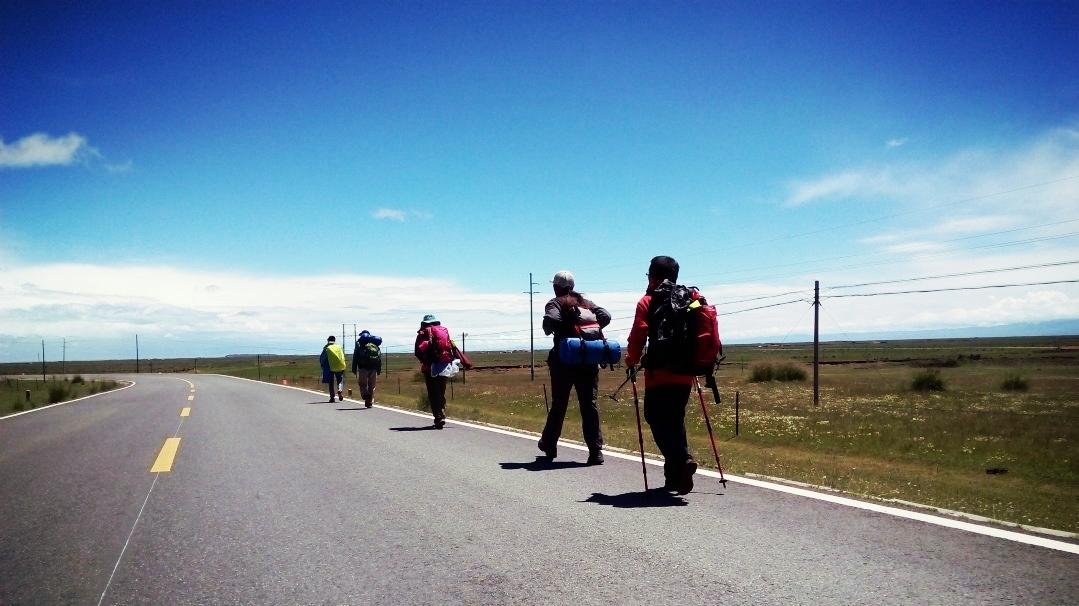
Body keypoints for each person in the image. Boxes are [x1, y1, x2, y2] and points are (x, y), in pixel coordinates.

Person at [625, 256, 698, 494]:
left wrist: (631, 359)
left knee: (655, 419)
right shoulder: (691, 298)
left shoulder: (647, 301)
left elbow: (638, 334)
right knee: (675, 421)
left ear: (652, 276)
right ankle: (674, 478)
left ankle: (681, 461)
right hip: (686, 373)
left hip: (658, 375)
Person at [538, 270, 611, 465]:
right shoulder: (586, 302)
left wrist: (565, 327)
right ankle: (596, 451)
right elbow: (605, 315)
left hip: (564, 360)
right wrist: (591, 329)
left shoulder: (555, 302)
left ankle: (549, 444)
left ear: (556, 286)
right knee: (589, 405)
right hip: (588, 360)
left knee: (559, 404)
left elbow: (551, 321)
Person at [414, 314, 457, 429]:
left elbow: (417, 352)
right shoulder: (442, 331)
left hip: (429, 368)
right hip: (443, 366)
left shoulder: (423, 333)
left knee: (433, 393)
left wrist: (425, 361)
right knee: (441, 391)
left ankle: (438, 417)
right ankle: (442, 413)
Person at [352, 329, 383, 408]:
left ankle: (365, 395)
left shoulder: (359, 344)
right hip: (373, 368)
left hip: (363, 368)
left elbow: (355, 357)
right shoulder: (375, 345)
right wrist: (378, 369)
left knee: (362, 384)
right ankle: (368, 402)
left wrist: (354, 368)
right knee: (371, 386)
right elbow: (379, 358)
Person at [320, 335, 347, 403]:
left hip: (330, 367)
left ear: (328, 340)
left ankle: (332, 397)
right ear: (334, 340)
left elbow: (322, 358)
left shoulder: (327, 347)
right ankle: (340, 389)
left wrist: (322, 365)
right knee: (340, 380)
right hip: (339, 366)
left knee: (331, 382)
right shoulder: (339, 347)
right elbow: (342, 356)